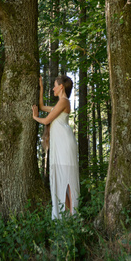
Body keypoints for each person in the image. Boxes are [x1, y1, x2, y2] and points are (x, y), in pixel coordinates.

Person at [32, 75, 80, 219]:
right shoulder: (58, 105)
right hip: (59, 145)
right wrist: (41, 88)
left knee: (68, 179)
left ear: (61, 87)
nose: (53, 88)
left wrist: (35, 117)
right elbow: (41, 106)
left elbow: (47, 119)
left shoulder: (64, 102)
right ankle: (66, 218)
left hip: (65, 144)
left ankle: (74, 216)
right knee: (61, 179)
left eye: (54, 85)